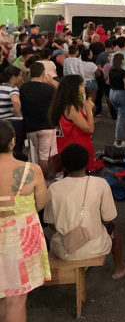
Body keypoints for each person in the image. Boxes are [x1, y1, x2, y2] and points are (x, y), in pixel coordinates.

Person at [44, 143, 125, 278]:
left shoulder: (53, 189)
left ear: (64, 165)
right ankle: (120, 267)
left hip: (65, 249)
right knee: (114, 230)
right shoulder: (101, 184)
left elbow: (51, 225)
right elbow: (108, 219)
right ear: (86, 163)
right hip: (96, 247)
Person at [0, 121, 50, 322]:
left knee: (2, 296)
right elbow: (41, 202)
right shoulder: (31, 170)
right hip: (21, 238)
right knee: (17, 299)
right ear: (12, 142)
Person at [49, 75, 95, 165]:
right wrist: (89, 110)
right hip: (76, 152)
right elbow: (89, 129)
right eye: (81, 84)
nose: (84, 85)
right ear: (74, 88)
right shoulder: (71, 108)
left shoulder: (66, 104)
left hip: (72, 148)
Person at [20, 62, 57, 170]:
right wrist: (52, 82)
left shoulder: (23, 88)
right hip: (47, 126)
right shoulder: (49, 89)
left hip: (30, 127)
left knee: (37, 154)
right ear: (43, 73)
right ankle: (44, 177)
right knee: (45, 157)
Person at [0, 65, 25, 160]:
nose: (21, 78)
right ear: (13, 77)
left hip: (1, 121)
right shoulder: (12, 88)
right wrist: (18, 114)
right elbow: (15, 101)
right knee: (16, 149)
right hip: (13, 122)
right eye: (20, 76)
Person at [108, 53, 125, 147]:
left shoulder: (111, 71)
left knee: (119, 116)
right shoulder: (124, 73)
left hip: (112, 93)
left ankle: (119, 140)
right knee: (122, 119)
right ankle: (119, 141)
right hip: (122, 94)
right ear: (122, 61)